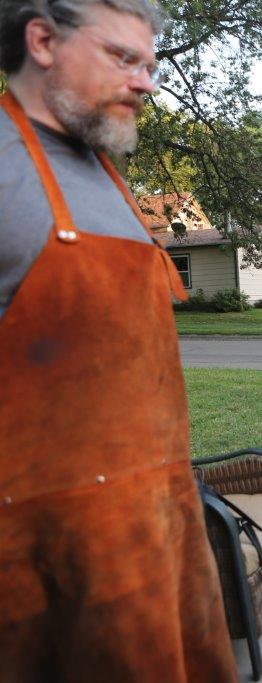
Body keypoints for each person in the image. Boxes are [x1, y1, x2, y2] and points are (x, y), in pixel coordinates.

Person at [0, 1, 235, 679]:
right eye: (122, 58)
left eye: (150, 65)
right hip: (42, 571)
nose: (145, 83)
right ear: (41, 40)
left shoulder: (105, 175)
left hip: (157, 532)